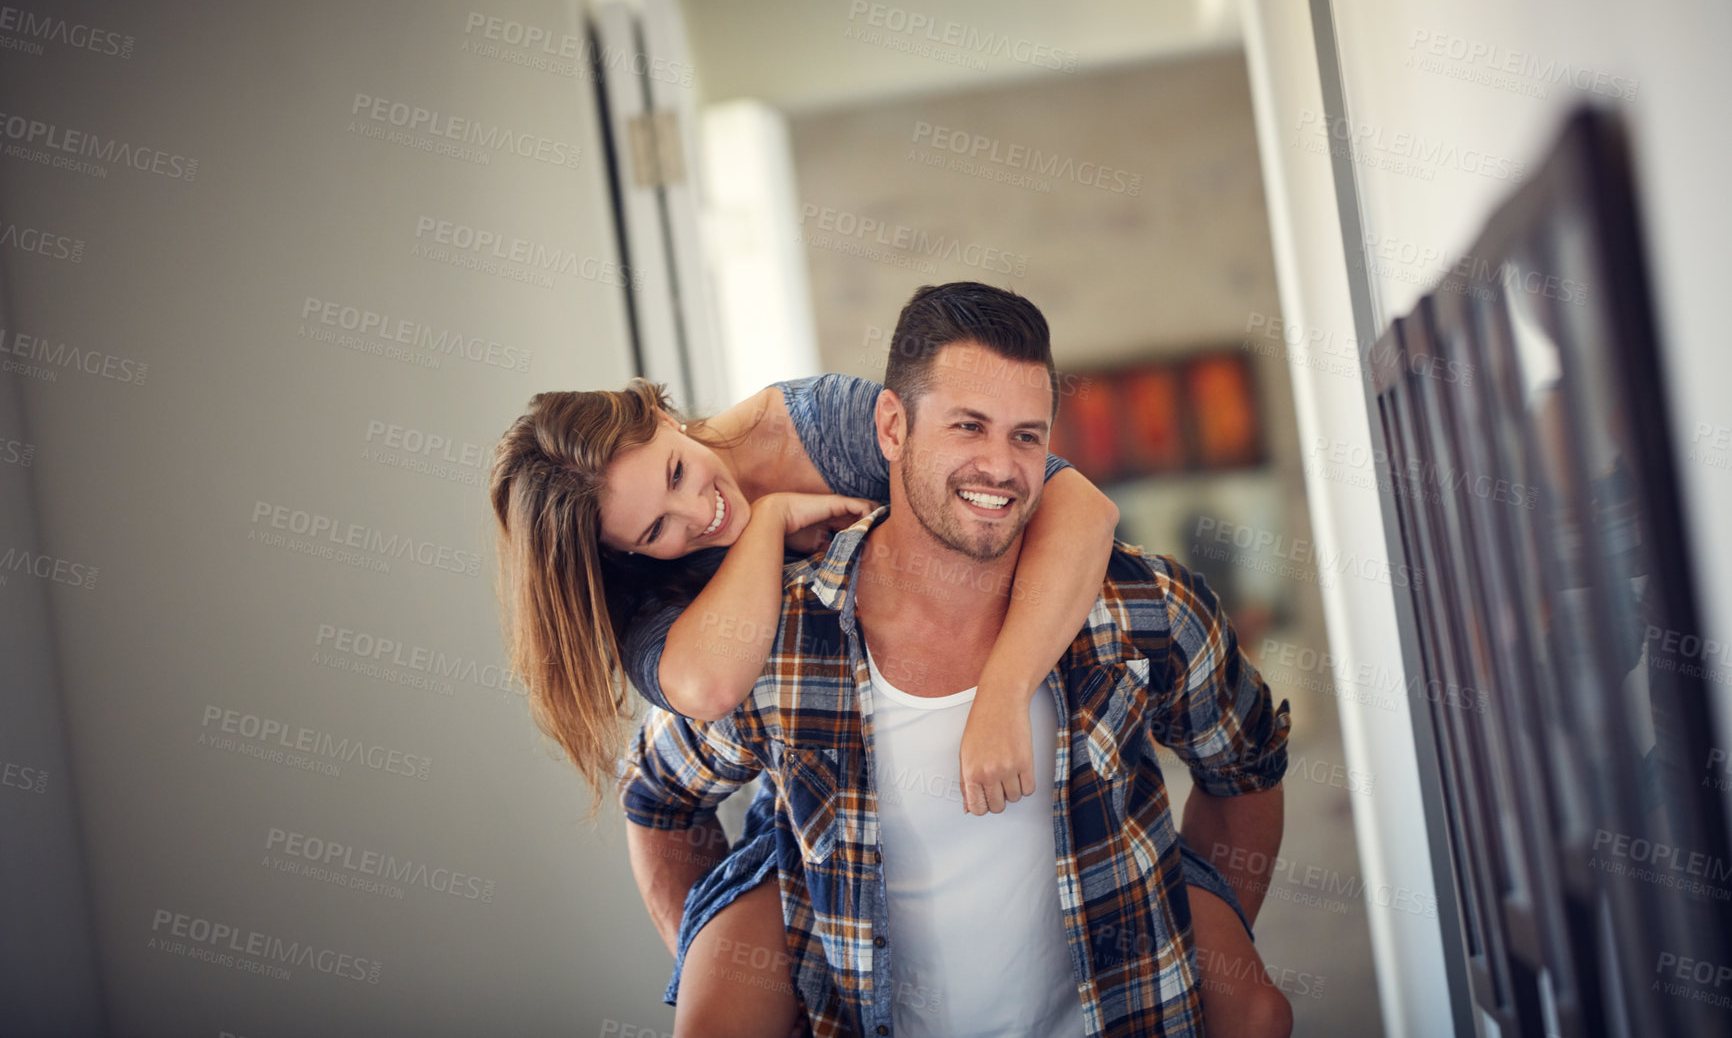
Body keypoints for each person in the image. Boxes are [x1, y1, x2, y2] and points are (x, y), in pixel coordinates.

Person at [620, 282, 1295, 1038]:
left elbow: (1246, 766)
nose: (1000, 467)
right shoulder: (775, 643)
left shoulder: (1146, 605)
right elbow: (658, 802)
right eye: (968, 426)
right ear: (891, 427)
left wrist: (1195, 953)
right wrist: (737, 969)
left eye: (1028, 436)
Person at [488, 283, 1121, 1032]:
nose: (699, 513)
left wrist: (1005, 690)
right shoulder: (643, 601)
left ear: (661, 415)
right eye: (656, 528)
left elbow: (1083, 508)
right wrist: (770, 522)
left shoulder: (805, 423)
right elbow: (711, 683)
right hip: (803, 817)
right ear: (620, 554)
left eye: (675, 472)